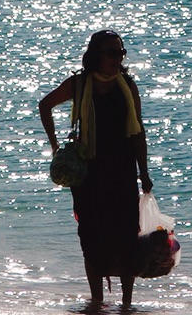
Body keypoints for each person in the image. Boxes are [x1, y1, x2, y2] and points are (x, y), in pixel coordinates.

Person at [38, 29, 152, 312]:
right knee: (91, 235)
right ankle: (97, 301)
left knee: (126, 235)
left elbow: (138, 130)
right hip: (89, 173)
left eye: (120, 53)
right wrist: (55, 146)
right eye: (111, 53)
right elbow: (45, 105)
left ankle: (126, 304)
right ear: (96, 56)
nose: (117, 58)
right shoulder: (79, 84)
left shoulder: (127, 84)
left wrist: (144, 172)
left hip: (123, 170)